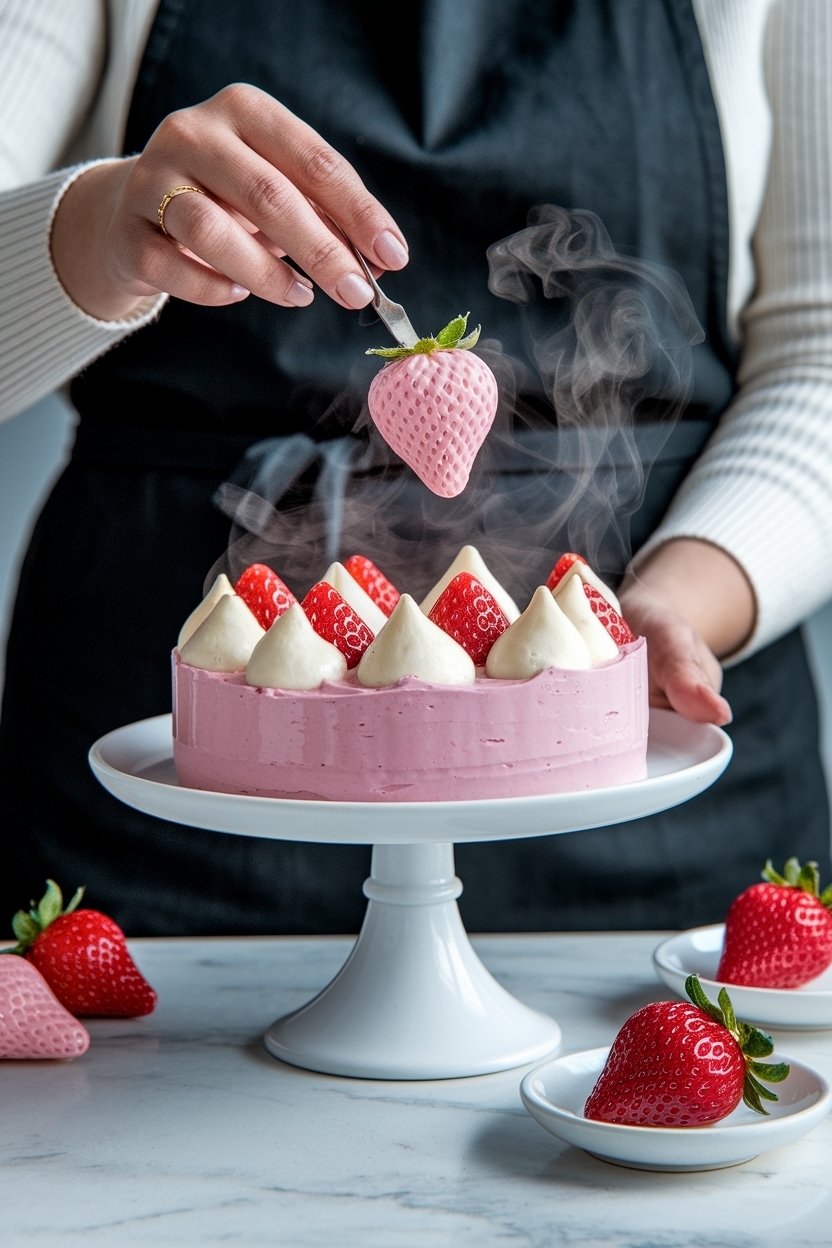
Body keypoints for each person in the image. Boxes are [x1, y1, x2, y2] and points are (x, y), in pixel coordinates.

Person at [0, 0, 830, 934]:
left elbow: (822, 349)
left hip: (642, 740)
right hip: (169, 774)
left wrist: (684, 601)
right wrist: (100, 231)